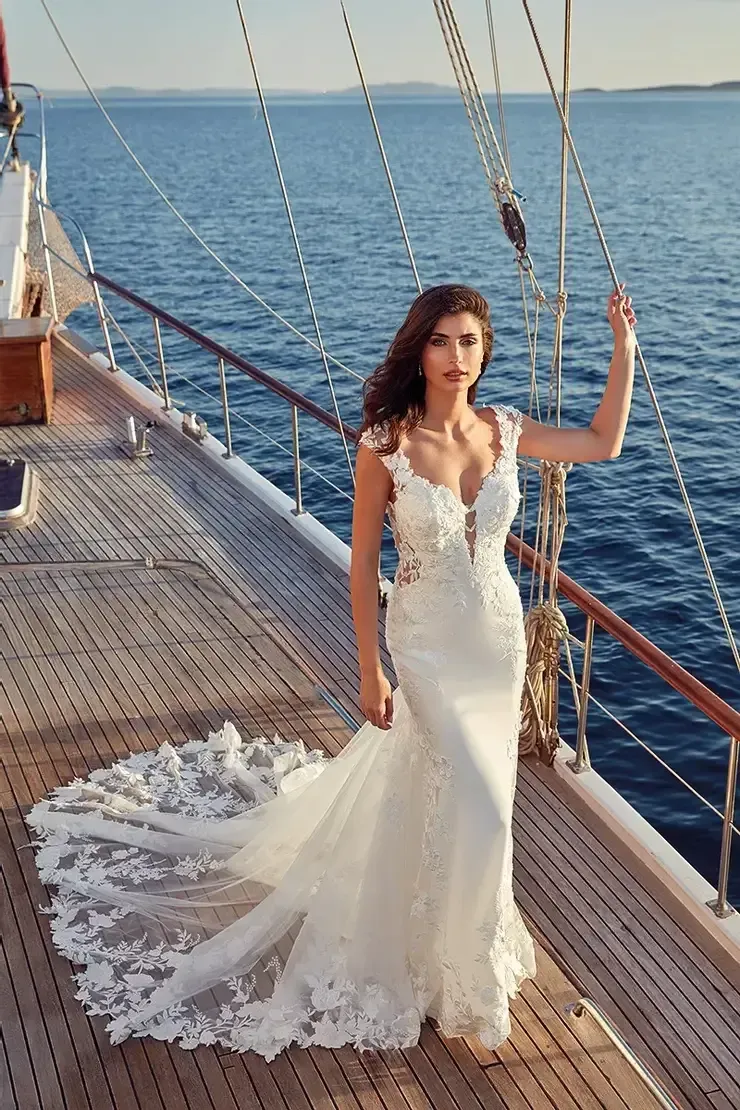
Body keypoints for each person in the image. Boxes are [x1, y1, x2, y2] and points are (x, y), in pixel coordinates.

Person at [25, 283, 635, 1063]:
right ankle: (456, 968)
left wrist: (621, 347)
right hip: (425, 648)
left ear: (486, 352)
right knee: (477, 802)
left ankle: (451, 950)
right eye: (443, 341)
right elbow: (362, 565)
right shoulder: (387, 442)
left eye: (471, 342)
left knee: (476, 804)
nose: (458, 357)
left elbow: (602, 442)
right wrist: (370, 669)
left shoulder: (504, 430)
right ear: (419, 348)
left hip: (497, 646)